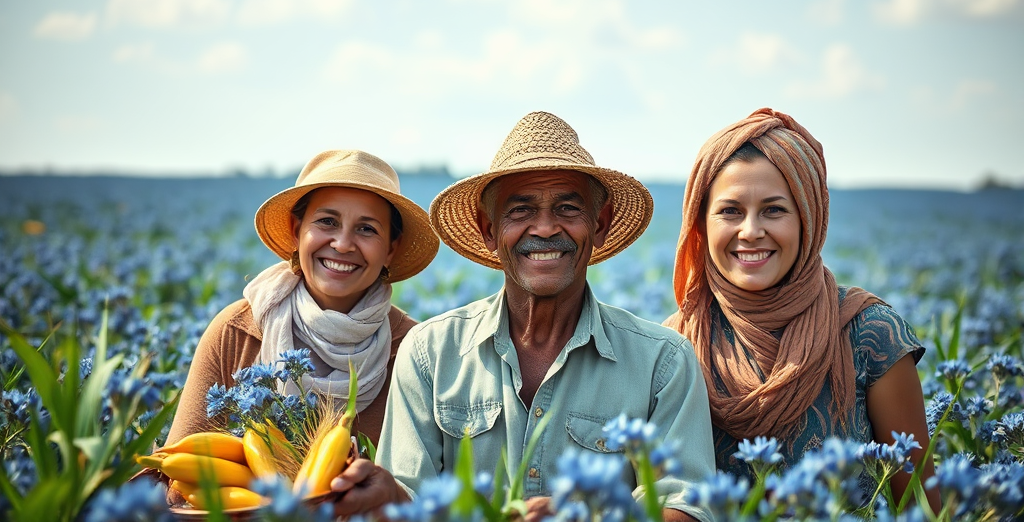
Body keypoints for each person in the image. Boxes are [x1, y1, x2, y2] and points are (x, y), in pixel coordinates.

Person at [333, 111, 715, 521]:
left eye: (568, 208)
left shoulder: (662, 361)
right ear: (488, 229)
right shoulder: (430, 353)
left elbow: (688, 506)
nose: (546, 228)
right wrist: (386, 498)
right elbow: (408, 498)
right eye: (520, 210)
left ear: (599, 225)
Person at [663, 108, 940, 510]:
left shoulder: (872, 333)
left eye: (774, 210)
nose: (751, 231)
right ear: (700, 225)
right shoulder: (672, 345)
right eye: (730, 211)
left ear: (808, 220)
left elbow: (923, 507)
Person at [166, 149, 439, 449]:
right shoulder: (235, 334)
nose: (343, 244)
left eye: (366, 229)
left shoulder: (415, 351)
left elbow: (426, 487)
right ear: (297, 232)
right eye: (327, 222)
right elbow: (175, 477)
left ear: (390, 249)